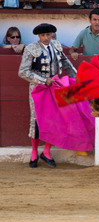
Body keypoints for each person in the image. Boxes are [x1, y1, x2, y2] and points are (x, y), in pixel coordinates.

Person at [18, 23, 77, 168]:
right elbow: (23, 72)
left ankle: (46, 151)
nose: (46, 38)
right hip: (38, 88)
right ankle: (34, 153)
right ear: (39, 36)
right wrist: (44, 80)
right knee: (37, 120)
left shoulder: (56, 45)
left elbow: (66, 63)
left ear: (52, 35)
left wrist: (77, 77)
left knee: (54, 119)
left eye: (48, 35)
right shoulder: (31, 49)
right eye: (43, 35)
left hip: (55, 86)